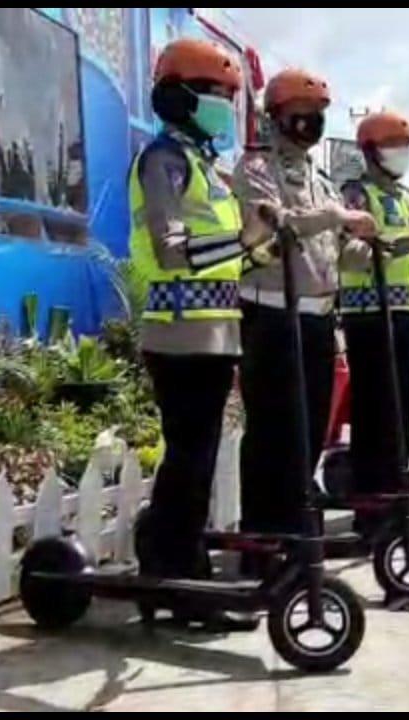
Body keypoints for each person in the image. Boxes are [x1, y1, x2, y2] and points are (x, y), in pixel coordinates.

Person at [127, 38, 254, 629]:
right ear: (178, 97)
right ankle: (179, 576)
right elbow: (170, 248)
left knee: (196, 461)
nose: (225, 107)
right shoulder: (163, 161)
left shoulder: (206, 168)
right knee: (189, 458)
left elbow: (230, 257)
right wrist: (245, 241)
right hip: (179, 336)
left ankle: (172, 560)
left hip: (214, 336)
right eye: (215, 95)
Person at [233, 68, 377, 539]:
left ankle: (295, 521)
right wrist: (334, 217)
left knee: (313, 428)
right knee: (274, 431)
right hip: (272, 314)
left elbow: (334, 249)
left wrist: (373, 246)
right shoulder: (256, 169)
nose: (311, 123)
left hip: (317, 318)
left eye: (318, 115)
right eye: (302, 114)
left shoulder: (322, 179)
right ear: (277, 116)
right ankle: (263, 534)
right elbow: (277, 223)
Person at [337, 111, 409, 529]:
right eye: (393, 146)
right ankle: (371, 508)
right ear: (370, 151)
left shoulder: (404, 198)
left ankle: (396, 493)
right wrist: (405, 245)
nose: (402, 155)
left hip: (404, 313)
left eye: (406, 146)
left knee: (402, 409)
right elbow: (351, 254)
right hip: (368, 313)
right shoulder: (356, 195)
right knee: (375, 413)